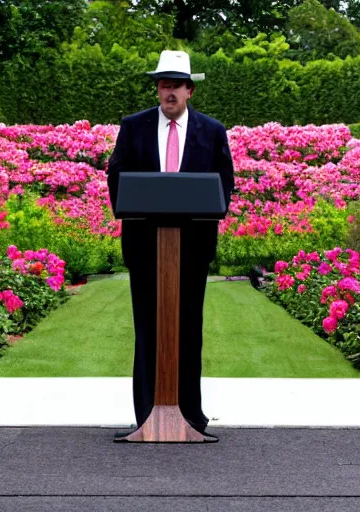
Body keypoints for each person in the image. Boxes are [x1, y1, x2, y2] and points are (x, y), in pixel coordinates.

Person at [107, 50, 234, 440]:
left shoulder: (212, 131)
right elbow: (116, 175)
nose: (170, 91)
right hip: (146, 247)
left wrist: (205, 211)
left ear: (190, 90)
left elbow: (223, 183)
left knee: (188, 329)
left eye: (177, 85)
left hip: (192, 248)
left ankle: (191, 416)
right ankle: (146, 414)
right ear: (158, 89)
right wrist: (133, 208)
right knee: (147, 328)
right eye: (164, 84)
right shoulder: (134, 127)